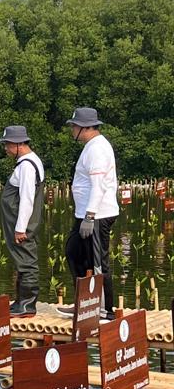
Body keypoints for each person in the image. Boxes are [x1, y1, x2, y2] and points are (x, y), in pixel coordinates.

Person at [61, 107, 119, 320]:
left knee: (97, 263)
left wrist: (90, 216)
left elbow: (99, 186)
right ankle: (83, 304)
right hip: (85, 214)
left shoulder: (97, 149)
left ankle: (105, 311)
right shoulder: (90, 146)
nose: (71, 129)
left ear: (84, 128)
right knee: (74, 252)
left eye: (73, 126)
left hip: (97, 215)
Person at [0, 126, 45, 317]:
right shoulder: (29, 162)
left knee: (27, 261)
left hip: (21, 223)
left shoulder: (26, 165)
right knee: (23, 259)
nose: (6, 149)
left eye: (7, 144)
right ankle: (20, 302)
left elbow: (27, 198)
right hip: (19, 222)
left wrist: (20, 228)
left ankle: (27, 305)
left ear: (18, 144)